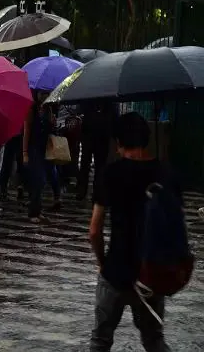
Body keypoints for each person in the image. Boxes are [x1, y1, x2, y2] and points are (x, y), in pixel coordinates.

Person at [89, 112, 174, 351]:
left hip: (116, 269)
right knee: (154, 339)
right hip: (151, 272)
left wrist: (102, 263)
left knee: (100, 340)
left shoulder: (110, 173)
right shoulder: (164, 173)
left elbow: (94, 230)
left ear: (118, 142)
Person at [23, 91, 61, 223]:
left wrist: (53, 122)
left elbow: (52, 129)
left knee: (44, 180)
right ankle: (33, 212)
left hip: (46, 148)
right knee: (38, 180)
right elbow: (26, 131)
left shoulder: (48, 108)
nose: (44, 96)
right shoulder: (31, 109)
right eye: (42, 93)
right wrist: (25, 152)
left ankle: (38, 211)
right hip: (34, 148)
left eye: (46, 93)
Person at [77, 102, 118, 201]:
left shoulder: (108, 99)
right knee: (92, 165)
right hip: (94, 135)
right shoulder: (109, 97)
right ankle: (89, 191)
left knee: (95, 165)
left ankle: (90, 191)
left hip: (99, 136)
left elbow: (115, 116)